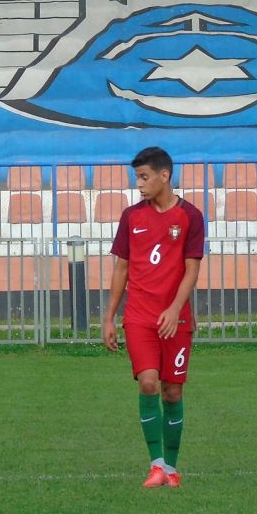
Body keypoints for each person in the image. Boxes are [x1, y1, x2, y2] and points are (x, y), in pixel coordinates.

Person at [101, 147, 205, 489]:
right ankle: (156, 465)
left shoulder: (190, 216)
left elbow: (192, 270)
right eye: (137, 178)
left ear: (165, 175)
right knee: (148, 382)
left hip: (177, 319)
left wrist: (175, 310)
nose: (140, 184)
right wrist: (109, 317)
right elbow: (121, 268)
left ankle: (172, 468)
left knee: (172, 392)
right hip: (139, 317)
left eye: (145, 177)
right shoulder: (131, 217)